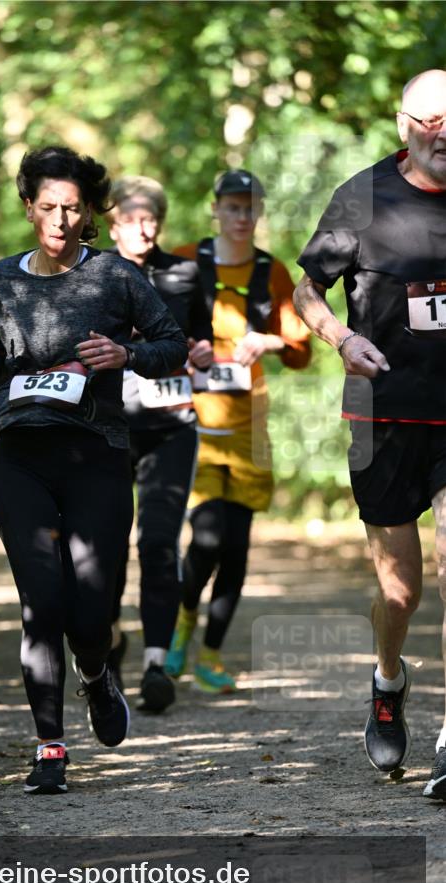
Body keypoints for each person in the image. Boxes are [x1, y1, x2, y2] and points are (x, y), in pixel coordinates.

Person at [0, 146, 187, 795]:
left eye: (71, 208)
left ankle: (95, 672)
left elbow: (171, 346)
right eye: (47, 207)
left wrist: (125, 353)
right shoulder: (1, 278)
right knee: (41, 603)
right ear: (27, 207)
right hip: (19, 459)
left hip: (96, 456)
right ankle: (50, 750)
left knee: (89, 615)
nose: (59, 220)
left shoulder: (116, 276)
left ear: (89, 211)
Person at [293, 69, 446, 801]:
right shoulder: (362, 195)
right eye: (429, 119)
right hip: (381, 416)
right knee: (401, 590)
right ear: (401, 125)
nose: (441, 132)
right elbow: (303, 289)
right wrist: (337, 337)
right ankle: (388, 682)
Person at [166, 170, 311, 692]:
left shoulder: (272, 273)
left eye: (251, 208)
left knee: (238, 548)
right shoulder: (184, 260)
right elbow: (152, 331)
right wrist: (187, 348)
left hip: (250, 433)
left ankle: (210, 655)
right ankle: (180, 624)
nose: (242, 217)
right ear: (216, 210)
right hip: (196, 428)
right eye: (233, 207)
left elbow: (300, 352)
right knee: (205, 540)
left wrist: (267, 343)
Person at [105, 175, 213, 712]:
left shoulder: (185, 272)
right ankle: (108, 640)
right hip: (105, 427)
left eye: (152, 219)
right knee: (103, 547)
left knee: (159, 542)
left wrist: (203, 353)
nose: (143, 228)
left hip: (171, 424)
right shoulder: (93, 273)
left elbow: (202, 336)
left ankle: (154, 665)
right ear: (111, 221)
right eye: (132, 218)